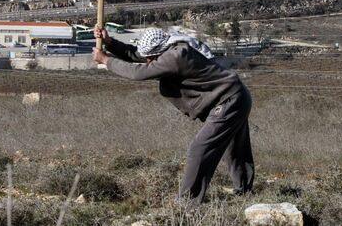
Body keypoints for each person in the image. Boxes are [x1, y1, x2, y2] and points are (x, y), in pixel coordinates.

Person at [92, 26, 254, 204]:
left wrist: (106, 60)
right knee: (236, 149)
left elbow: (139, 72)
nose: (148, 61)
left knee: (200, 149)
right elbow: (136, 55)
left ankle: (186, 203)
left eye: (151, 58)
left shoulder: (177, 56)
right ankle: (244, 192)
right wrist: (110, 42)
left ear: (159, 51)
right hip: (235, 96)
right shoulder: (168, 50)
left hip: (229, 100)